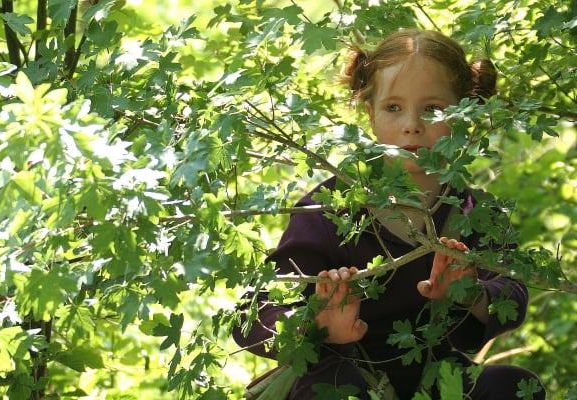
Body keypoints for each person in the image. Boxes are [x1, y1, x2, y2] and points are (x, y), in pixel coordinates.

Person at [233, 29, 545, 399]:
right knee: (333, 388)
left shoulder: (477, 213)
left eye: (433, 109)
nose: (412, 124)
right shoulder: (331, 210)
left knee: (512, 386)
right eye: (393, 107)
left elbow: (511, 294)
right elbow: (253, 313)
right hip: (340, 374)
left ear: (464, 115)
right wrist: (314, 328)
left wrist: (470, 294)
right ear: (371, 113)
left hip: (434, 381)